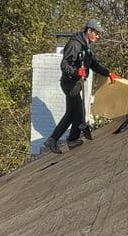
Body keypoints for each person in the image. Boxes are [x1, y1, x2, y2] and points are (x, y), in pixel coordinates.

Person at [43, 19, 118, 154]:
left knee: (73, 114)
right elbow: (64, 65)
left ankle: (61, 140)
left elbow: (93, 64)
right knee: (76, 114)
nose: (98, 36)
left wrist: (108, 73)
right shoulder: (75, 45)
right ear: (89, 31)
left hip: (75, 84)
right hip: (70, 83)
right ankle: (64, 140)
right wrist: (76, 71)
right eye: (97, 33)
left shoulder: (86, 45)